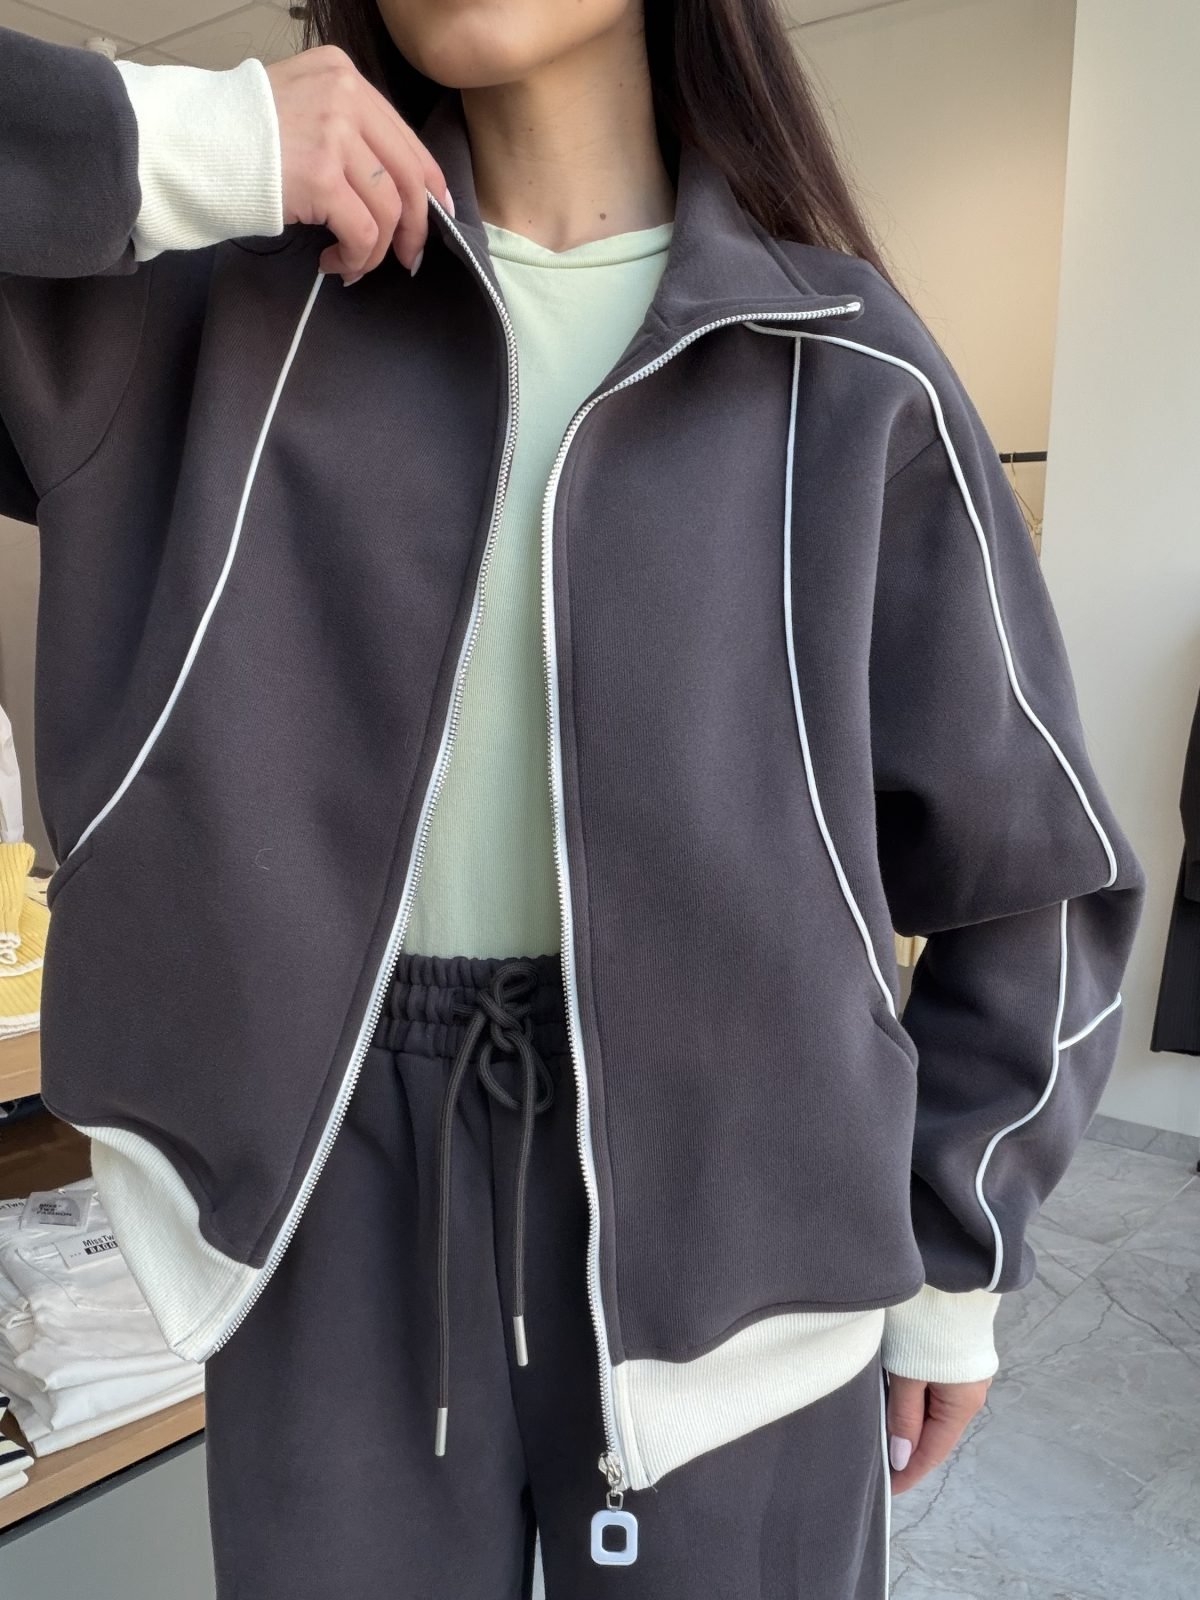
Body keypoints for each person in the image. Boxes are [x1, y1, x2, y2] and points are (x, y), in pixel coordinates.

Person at [0, 3, 1146, 1596]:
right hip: (331, 1196)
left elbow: (1034, 868)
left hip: (743, 1214)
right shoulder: (211, 314)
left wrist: (955, 1257)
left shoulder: (846, 365)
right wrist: (194, 140)